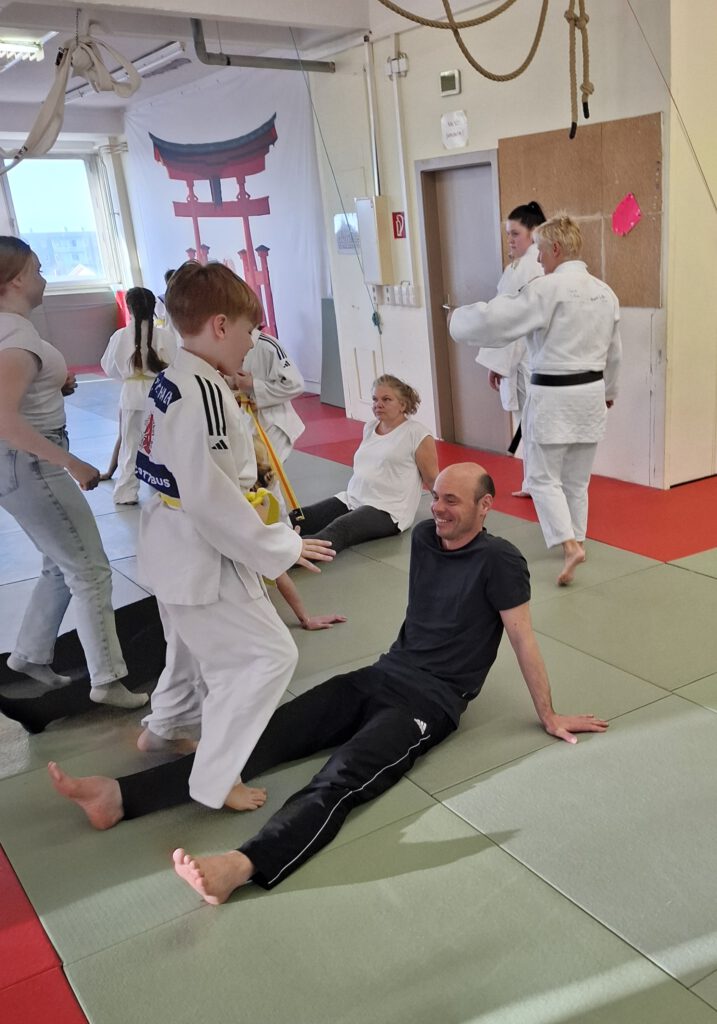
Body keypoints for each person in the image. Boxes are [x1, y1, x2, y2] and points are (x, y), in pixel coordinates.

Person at [49, 462, 608, 904]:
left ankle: (243, 865)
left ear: (485, 507)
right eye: (435, 496)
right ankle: (119, 797)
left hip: (429, 703)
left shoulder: (501, 561)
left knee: (340, 778)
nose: (437, 508)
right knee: (264, 734)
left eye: (452, 501)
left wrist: (549, 714)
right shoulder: (423, 537)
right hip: (380, 674)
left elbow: (522, 638)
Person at [132, 261, 335, 811]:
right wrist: (284, 546)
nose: (251, 344)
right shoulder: (203, 392)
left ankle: (165, 728)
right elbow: (211, 496)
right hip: (203, 551)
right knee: (266, 657)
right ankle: (215, 780)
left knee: (188, 647)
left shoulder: (171, 380)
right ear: (220, 326)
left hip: (167, 543)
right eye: (249, 331)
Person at [0, 237, 147, 709]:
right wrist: (72, 462)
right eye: (38, 270)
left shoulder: (13, 331)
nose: (44, 278)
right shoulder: (16, 338)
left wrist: (52, 386)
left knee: (58, 562)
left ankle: (29, 654)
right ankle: (107, 679)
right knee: (90, 570)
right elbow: (5, 419)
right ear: (16, 279)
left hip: (23, 463)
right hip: (32, 465)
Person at [450, 214, 621, 587]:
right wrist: (609, 392)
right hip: (591, 395)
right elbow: (615, 353)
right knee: (576, 479)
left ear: (556, 248)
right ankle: (578, 539)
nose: (539, 258)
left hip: (554, 396)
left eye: (541, 250)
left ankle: (569, 544)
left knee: (542, 478)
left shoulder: (547, 289)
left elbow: (498, 320)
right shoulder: (605, 293)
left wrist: (459, 319)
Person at [293, 375, 438, 553]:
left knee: (338, 529)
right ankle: (272, 547)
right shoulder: (370, 427)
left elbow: (432, 479)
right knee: (299, 517)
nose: (378, 404)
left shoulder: (418, 434)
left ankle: (289, 555)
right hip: (352, 499)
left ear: (403, 405)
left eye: (386, 399)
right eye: (375, 399)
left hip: (387, 510)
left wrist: (445, 513)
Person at [475, 201, 546, 497]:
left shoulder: (530, 268)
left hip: (529, 359)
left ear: (534, 232)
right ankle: (534, 483)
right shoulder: (523, 266)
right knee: (530, 426)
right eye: (508, 234)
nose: (510, 240)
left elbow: (512, 323)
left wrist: (499, 364)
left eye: (515, 233)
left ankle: (539, 484)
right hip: (527, 359)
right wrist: (499, 363)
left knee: (534, 426)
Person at [100, 287, 177, 505]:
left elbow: (109, 367)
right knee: (164, 443)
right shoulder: (164, 336)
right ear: (153, 307)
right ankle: (169, 488)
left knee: (130, 445)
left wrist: (129, 376)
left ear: (129, 308)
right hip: (160, 393)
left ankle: (126, 492)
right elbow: (175, 364)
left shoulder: (120, 336)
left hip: (131, 393)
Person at [231, 329, 305, 464]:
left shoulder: (268, 346)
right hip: (249, 420)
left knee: (268, 473)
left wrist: (253, 384)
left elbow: (295, 384)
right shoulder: (230, 344)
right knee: (253, 470)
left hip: (275, 423)